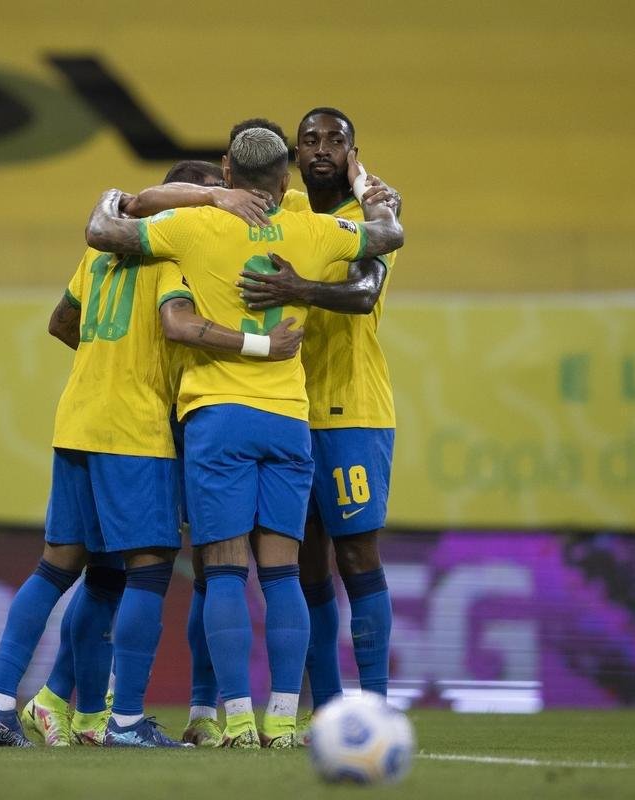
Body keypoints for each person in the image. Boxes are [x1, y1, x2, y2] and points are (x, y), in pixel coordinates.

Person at [85, 127, 403, 748]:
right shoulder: (310, 231)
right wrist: (368, 186)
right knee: (284, 575)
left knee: (224, 574)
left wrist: (116, 196)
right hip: (288, 416)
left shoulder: (193, 228)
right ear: (285, 181)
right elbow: (387, 235)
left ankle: (232, 719)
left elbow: (107, 230)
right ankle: (284, 721)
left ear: (228, 176)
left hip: (217, 415)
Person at [0, 161, 298, 748]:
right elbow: (177, 323)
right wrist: (259, 345)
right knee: (145, 573)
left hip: (77, 419)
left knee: (59, 569)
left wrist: (109, 356)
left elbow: (62, 322)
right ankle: (124, 721)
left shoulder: (98, 255)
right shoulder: (171, 258)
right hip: (134, 428)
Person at [239, 108, 402, 722]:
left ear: (356, 154)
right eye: (309, 140)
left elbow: (363, 295)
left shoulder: (377, 218)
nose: (322, 148)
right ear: (292, 159)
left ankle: (378, 705)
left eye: (336, 139)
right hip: (286, 414)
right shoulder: (284, 220)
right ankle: (330, 711)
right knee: (305, 568)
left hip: (353, 410)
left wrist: (297, 290)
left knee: (358, 558)